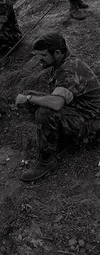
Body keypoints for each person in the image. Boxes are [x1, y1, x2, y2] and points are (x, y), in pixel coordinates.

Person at [15, 32, 100, 182]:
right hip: (79, 109)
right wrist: (29, 97)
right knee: (32, 98)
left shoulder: (68, 69)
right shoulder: (62, 62)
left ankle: (47, 161)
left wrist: (28, 98)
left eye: (43, 55)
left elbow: (57, 103)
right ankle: (57, 137)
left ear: (57, 53)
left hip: (91, 121)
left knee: (44, 112)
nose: (40, 59)